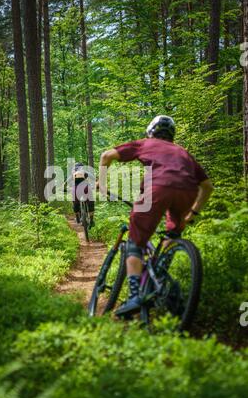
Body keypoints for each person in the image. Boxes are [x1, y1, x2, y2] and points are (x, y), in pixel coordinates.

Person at [98, 115, 214, 316]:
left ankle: (135, 296)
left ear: (151, 132)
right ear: (171, 135)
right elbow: (207, 186)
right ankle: (158, 279)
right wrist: (193, 212)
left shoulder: (145, 143)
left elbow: (106, 156)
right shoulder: (183, 152)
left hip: (157, 189)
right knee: (173, 234)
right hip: (187, 192)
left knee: (135, 242)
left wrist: (101, 183)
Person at [69, 163, 95, 228]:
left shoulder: (73, 174)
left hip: (76, 190)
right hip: (86, 188)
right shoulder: (85, 172)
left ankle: (77, 218)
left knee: (75, 203)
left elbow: (67, 182)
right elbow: (93, 178)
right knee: (91, 203)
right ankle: (91, 220)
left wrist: (64, 188)